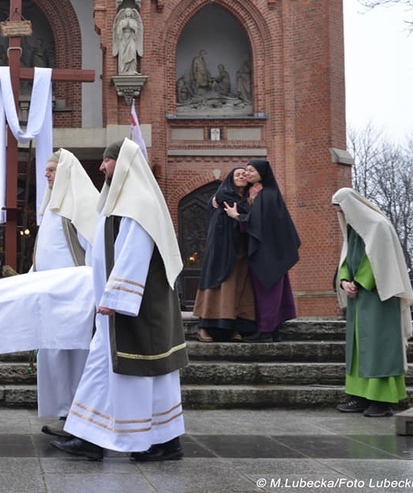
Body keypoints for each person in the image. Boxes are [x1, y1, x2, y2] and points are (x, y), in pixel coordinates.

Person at [50, 138, 188, 462]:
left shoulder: (138, 203)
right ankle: (91, 437)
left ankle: (160, 442)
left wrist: (116, 298)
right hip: (115, 308)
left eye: (107, 161)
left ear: (123, 163)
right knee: (107, 370)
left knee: (145, 374)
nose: (101, 167)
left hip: (135, 308)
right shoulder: (117, 204)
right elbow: (101, 254)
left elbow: (133, 256)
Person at [32, 149, 99, 438]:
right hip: (49, 295)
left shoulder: (83, 203)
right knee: (54, 353)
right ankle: (63, 411)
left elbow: (95, 251)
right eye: (46, 170)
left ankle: (80, 414)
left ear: (67, 171)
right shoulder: (51, 206)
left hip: (74, 295)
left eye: (51, 170)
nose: (46, 174)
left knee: (75, 355)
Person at [332, 187, 413, 417]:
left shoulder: (379, 226)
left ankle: (382, 400)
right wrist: (345, 280)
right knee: (358, 349)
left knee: (379, 347)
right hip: (359, 298)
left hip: (380, 296)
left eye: (341, 209)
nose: (340, 215)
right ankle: (359, 396)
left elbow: (379, 260)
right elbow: (347, 259)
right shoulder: (353, 229)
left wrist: (359, 282)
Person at [224, 158, 300, 342]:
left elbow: (259, 222)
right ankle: (271, 329)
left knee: (267, 291)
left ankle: (265, 331)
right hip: (272, 252)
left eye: (251, 170)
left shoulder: (267, 195)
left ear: (262, 173)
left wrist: (237, 216)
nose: (248, 173)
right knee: (271, 290)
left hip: (268, 254)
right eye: (246, 170)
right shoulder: (265, 193)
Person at [193, 167, 256, 342]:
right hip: (221, 250)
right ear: (230, 179)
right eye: (237, 174)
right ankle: (204, 327)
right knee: (216, 287)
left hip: (240, 251)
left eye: (244, 174)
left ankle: (233, 328)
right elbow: (244, 211)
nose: (242, 176)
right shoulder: (223, 196)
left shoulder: (248, 197)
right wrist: (248, 204)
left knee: (237, 289)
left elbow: (250, 216)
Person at [112, 8, 143, 75]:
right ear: (124, 13)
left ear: (131, 12)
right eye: (126, 11)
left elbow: (137, 32)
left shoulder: (134, 21)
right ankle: (123, 70)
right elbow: (118, 31)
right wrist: (122, 27)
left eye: (129, 11)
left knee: (132, 51)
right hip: (123, 39)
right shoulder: (122, 21)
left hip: (131, 38)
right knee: (123, 53)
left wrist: (133, 28)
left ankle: (132, 69)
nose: (128, 12)